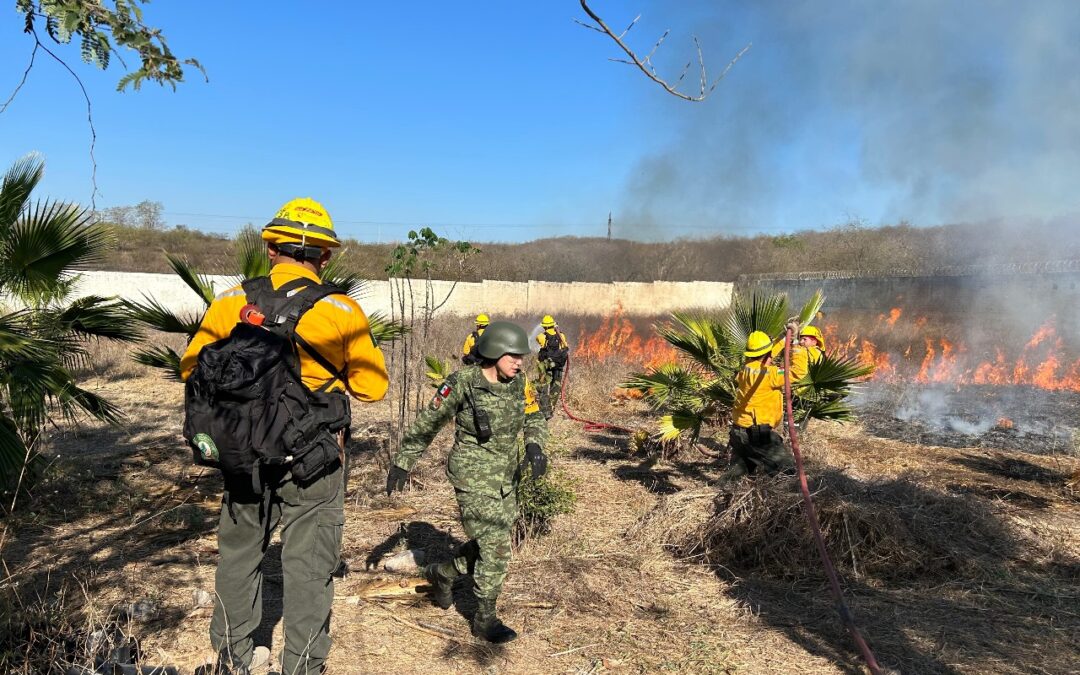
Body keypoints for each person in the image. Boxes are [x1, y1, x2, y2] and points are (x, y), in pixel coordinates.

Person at [181, 197, 389, 674]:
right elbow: (372, 388)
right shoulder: (342, 309)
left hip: (242, 454)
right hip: (312, 460)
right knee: (309, 567)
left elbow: (191, 368)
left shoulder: (231, 302)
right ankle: (302, 666)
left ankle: (232, 658)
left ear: (270, 248)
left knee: (238, 555)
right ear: (325, 256)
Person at [387, 321, 549, 643]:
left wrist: (535, 445)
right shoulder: (462, 383)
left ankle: (442, 574)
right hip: (472, 477)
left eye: (522, 357)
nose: (519, 363)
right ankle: (485, 620)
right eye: (513, 356)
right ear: (494, 353)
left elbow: (534, 416)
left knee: (488, 544)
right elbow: (428, 422)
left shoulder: (520, 383)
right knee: (497, 547)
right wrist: (403, 462)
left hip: (506, 477)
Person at [725, 328, 794, 479]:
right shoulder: (772, 374)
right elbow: (797, 372)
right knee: (788, 471)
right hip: (756, 435)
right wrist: (797, 348)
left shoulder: (746, 368)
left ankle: (722, 489)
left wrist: (783, 339)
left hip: (738, 432)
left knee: (735, 475)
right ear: (767, 355)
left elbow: (765, 356)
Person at [535, 314, 570, 418]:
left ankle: (545, 411)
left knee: (543, 387)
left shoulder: (541, 336)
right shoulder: (561, 336)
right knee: (556, 387)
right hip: (558, 365)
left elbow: (539, 341)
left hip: (545, 366)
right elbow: (565, 346)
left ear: (544, 326)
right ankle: (551, 409)